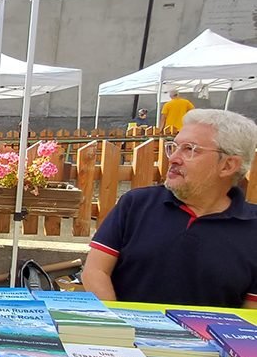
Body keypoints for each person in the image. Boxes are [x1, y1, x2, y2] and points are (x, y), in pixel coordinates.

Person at [82, 109, 257, 308]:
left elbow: (250, 316)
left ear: (228, 165)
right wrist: (119, 326)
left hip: (212, 338)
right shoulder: (136, 205)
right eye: (174, 147)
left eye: (190, 149)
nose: (173, 158)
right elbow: (95, 271)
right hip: (127, 334)